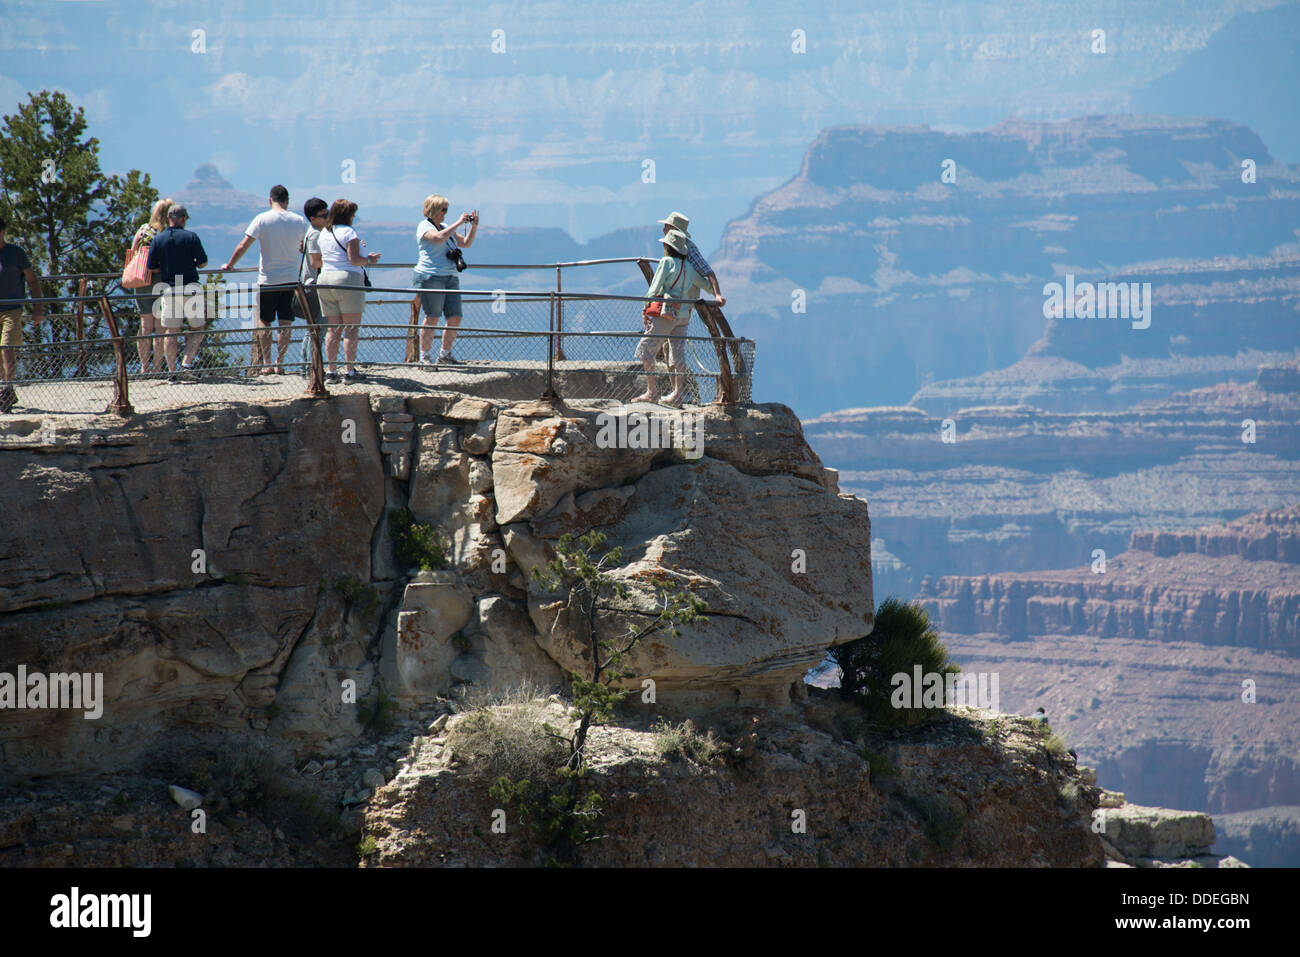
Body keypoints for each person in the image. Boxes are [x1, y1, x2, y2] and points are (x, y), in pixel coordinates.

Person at [222, 185, 308, 375]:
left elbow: (244, 244)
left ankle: (267, 363)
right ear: (287, 200)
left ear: (270, 200)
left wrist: (230, 264)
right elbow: (305, 247)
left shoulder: (262, 219)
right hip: (291, 280)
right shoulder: (299, 221)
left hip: (268, 280)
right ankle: (280, 362)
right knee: (285, 322)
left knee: (264, 321)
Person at [634, 229, 712, 406]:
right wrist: (717, 294)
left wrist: (645, 307)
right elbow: (705, 285)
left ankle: (652, 392)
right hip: (684, 315)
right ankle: (677, 394)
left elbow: (655, 286)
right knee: (678, 354)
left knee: (646, 350)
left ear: (668, 246)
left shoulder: (666, 262)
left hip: (667, 314)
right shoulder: (690, 268)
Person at [316, 199, 379, 383]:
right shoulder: (349, 232)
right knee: (351, 329)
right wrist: (370, 260)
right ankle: (349, 372)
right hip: (347, 281)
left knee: (333, 329)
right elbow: (354, 260)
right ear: (348, 215)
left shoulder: (324, 233)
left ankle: (331, 371)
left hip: (325, 280)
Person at [145, 205, 209, 381]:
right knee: (197, 327)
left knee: (171, 331)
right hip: (190, 287)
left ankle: (172, 370)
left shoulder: (159, 240)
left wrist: (166, 267)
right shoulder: (191, 237)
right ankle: (186, 364)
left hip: (169, 288)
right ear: (183, 218)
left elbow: (151, 266)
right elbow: (203, 263)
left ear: (168, 219)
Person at [413, 194, 477, 366]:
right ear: (433, 209)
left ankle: (445, 354)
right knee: (432, 316)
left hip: (450, 276)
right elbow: (438, 238)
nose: (445, 213)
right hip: (431, 276)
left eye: (446, 210)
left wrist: (473, 226)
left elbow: (465, 243)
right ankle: (425, 357)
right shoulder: (424, 226)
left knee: (455, 316)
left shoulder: (445, 226)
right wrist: (458, 222)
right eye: (443, 209)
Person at [0, 215, 46, 413]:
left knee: (7, 348)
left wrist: (38, 308)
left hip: (12, 309)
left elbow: (32, 280)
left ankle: (6, 387)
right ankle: (4, 390)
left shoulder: (15, 253)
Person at [130, 197, 175, 374]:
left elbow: (132, 252)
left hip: (142, 281)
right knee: (160, 328)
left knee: (145, 326)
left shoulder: (143, 231)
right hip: (162, 281)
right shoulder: (169, 233)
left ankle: (144, 367)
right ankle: (157, 367)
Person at [657, 211, 725, 306]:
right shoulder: (671, 247)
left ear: (673, 229)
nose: (663, 230)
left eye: (666, 227)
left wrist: (717, 295)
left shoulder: (689, 248)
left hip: (684, 300)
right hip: (674, 300)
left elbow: (708, 272)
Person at [297, 197, 328, 377]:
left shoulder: (312, 233)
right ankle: (311, 368)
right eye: (323, 215)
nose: (327, 218)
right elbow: (316, 262)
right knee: (317, 329)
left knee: (313, 329)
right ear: (312, 218)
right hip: (315, 286)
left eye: (327, 213)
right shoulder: (316, 234)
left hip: (311, 285)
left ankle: (307, 366)